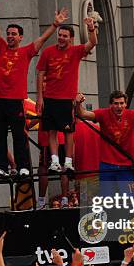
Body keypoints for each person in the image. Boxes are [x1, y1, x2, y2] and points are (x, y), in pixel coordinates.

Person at [0, 9, 69, 178]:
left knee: (19, 136)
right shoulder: (1, 47)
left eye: (14, 34)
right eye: (8, 33)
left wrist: (55, 24)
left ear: (20, 37)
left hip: (15, 101)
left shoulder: (26, 52)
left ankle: (24, 167)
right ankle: (1, 167)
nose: (10, 36)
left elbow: (43, 39)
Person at [36, 19, 98, 174]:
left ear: (71, 38)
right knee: (51, 130)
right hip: (50, 97)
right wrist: (39, 97)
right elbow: (40, 73)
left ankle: (68, 162)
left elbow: (92, 42)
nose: (61, 38)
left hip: (66, 98)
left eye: (65, 36)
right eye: (60, 35)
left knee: (68, 131)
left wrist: (91, 28)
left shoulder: (76, 51)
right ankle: (55, 161)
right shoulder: (48, 51)